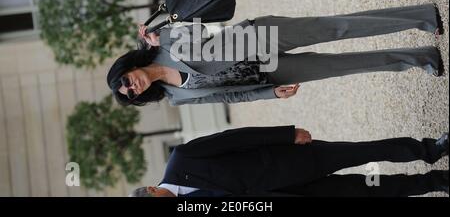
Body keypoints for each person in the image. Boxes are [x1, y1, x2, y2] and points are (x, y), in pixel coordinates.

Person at [107, 4, 445, 106]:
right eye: (130, 92)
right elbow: (232, 96)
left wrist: (162, 28)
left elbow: (199, 25)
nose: (132, 85)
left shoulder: (161, 42)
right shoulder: (177, 97)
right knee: (344, 66)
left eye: (125, 80)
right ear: (139, 97)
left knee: (337, 28)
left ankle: (422, 17)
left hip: (257, 37)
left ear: (126, 67)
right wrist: (269, 92)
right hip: (268, 74)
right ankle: (423, 58)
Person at [128, 126, 449, 197]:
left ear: (152, 190)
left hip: (290, 160)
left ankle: (429, 150)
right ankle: (436, 183)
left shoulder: (181, 158)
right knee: (367, 191)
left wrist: (286, 134)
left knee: (363, 152)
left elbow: (235, 139)